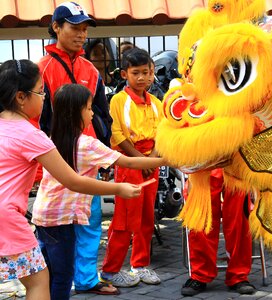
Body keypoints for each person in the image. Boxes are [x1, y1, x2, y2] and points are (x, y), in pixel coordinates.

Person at [0, 59, 141, 300]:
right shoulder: (32, 135)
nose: (44, 98)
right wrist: (118, 188)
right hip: (8, 219)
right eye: (41, 91)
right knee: (39, 281)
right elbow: (73, 181)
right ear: (21, 97)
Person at [31, 83, 167, 299]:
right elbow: (128, 162)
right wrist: (169, 160)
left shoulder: (51, 140)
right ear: (76, 113)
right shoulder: (86, 144)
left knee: (46, 273)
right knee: (62, 276)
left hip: (43, 217)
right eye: (89, 108)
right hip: (62, 221)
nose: (93, 113)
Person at [32, 1, 114, 296]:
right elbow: (36, 121)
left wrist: (105, 154)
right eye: (74, 28)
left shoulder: (90, 69)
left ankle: (87, 279)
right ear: (56, 27)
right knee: (56, 229)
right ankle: (53, 283)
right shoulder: (40, 69)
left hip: (87, 160)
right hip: (56, 163)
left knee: (90, 221)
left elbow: (103, 114)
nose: (81, 35)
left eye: (84, 29)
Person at [101, 47, 163, 287]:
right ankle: (110, 269)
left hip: (152, 162)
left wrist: (153, 158)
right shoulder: (119, 100)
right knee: (125, 219)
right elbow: (117, 134)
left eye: (146, 72)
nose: (142, 78)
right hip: (129, 162)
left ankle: (140, 264)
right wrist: (141, 159)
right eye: (136, 72)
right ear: (125, 74)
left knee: (148, 216)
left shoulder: (157, 102)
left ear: (153, 72)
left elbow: (164, 133)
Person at [181, 169, 256, 296]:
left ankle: (239, 275)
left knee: (239, 221)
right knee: (201, 219)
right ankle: (200, 275)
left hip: (237, 164)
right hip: (204, 163)